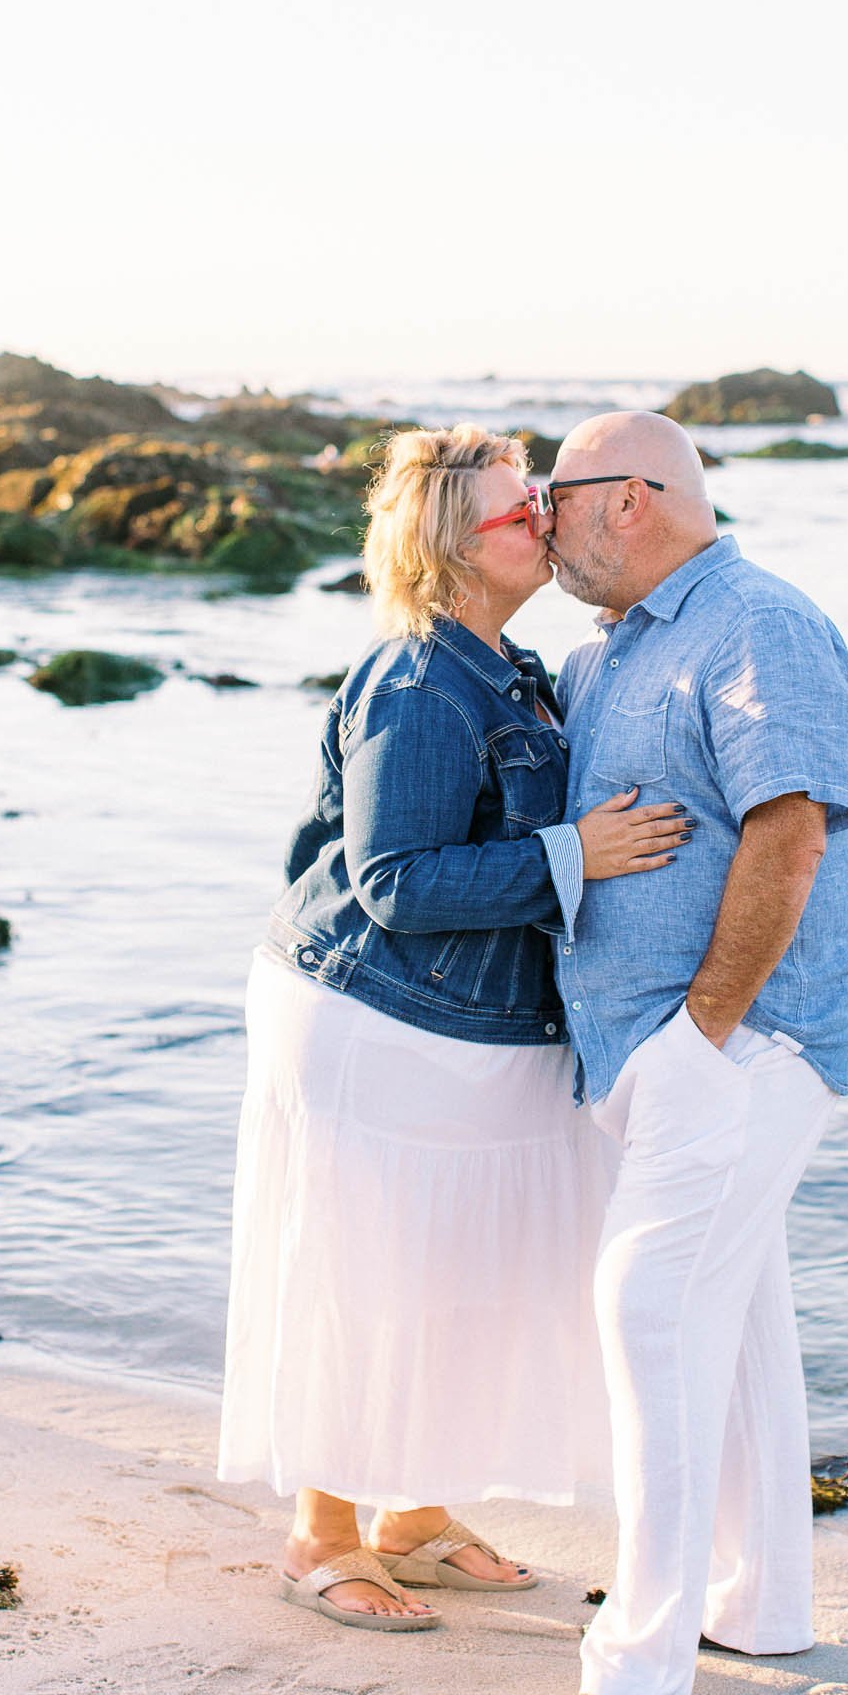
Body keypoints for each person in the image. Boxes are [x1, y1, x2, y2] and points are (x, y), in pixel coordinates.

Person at [217, 422, 690, 1632]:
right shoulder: (422, 681)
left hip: (469, 1031)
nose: (543, 515)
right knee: (366, 1276)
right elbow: (396, 882)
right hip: (374, 1016)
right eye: (515, 507)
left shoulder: (510, 667)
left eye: (536, 496)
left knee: (455, 1282)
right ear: (451, 548)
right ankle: (322, 1535)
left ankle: (413, 1517)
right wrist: (570, 855)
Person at [500, 411, 848, 1695]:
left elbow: (793, 828)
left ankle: (641, 1679)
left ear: (634, 499)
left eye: (555, 496)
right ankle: (762, 1604)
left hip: (742, 1042)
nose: (539, 519)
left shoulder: (758, 623)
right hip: (661, 1053)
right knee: (737, 1317)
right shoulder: (612, 653)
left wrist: (705, 1032)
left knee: (649, 1306)